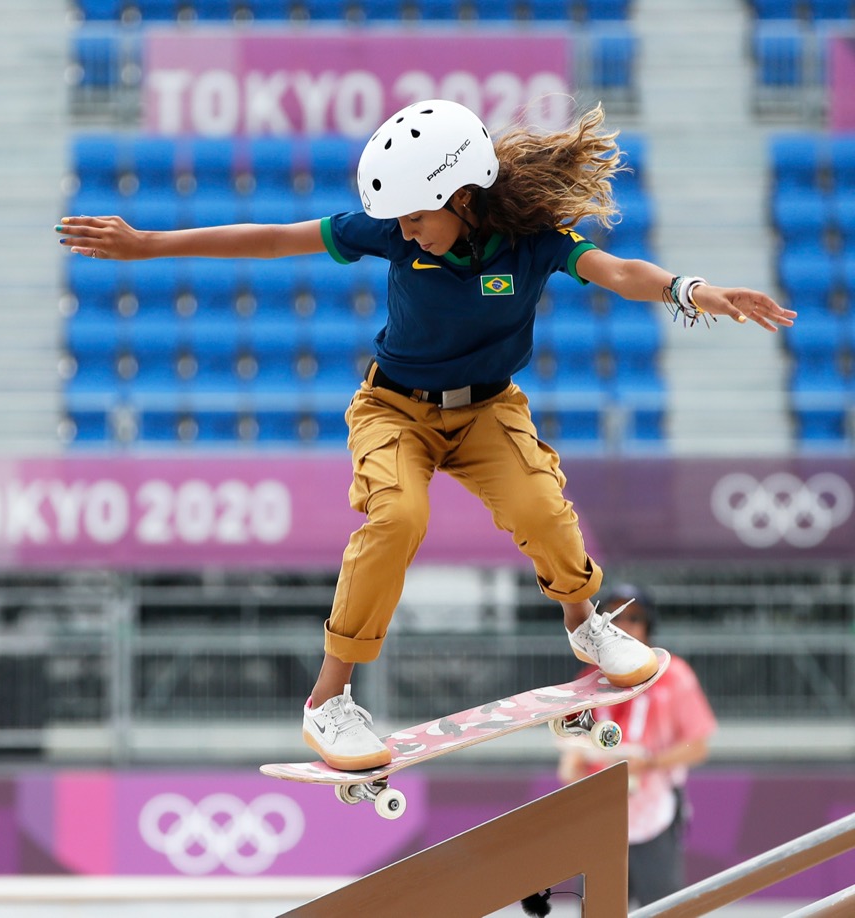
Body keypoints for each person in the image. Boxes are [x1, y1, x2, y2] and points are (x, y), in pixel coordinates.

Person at [57, 99, 793, 771]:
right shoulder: (391, 227)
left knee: (541, 508)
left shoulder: (532, 243)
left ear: (461, 198)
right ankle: (328, 703)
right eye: (402, 223)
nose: (405, 232)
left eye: (416, 220)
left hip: (489, 411)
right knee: (398, 517)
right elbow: (277, 237)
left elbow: (619, 270)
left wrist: (692, 291)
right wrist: (149, 244)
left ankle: (585, 623)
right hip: (394, 410)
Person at [557, 585, 717, 907]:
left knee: (663, 907)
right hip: (602, 811)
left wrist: (651, 763)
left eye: (634, 617)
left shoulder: (674, 676)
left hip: (654, 810)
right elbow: (573, 740)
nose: (624, 625)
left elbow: (698, 746)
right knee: (595, 907)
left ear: (648, 625)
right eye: (614, 618)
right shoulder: (590, 677)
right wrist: (572, 761)